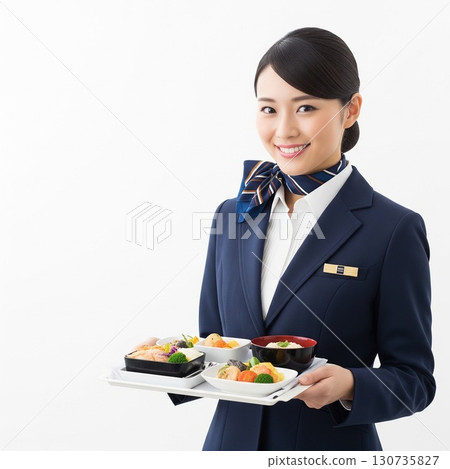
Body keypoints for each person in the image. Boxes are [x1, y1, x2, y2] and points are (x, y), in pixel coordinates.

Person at [176, 27, 436, 450]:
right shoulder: (234, 213)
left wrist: (351, 383)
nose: (284, 130)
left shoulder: (393, 229)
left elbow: (415, 380)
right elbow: (214, 343)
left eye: (306, 108)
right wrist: (163, 361)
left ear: (350, 110)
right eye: (268, 109)